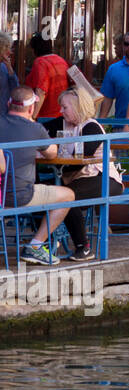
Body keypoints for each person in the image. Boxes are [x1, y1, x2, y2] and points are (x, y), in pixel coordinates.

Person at [2, 87, 75, 266]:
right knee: (68, 195)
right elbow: (52, 153)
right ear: (31, 108)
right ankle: (35, 246)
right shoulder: (35, 128)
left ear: (8, 103)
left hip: (1, 194)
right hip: (20, 195)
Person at [54, 88, 123, 262]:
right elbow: (38, 131)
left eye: (64, 107)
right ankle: (46, 241)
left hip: (104, 178)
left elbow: (81, 156)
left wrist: (49, 154)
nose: (61, 111)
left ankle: (83, 247)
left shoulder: (91, 127)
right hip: (76, 178)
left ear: (78, 107)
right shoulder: (61, 123)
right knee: (42, 191)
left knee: (66, 197)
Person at [98, 29, 129, 119]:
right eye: (126, 44)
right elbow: (107, 98)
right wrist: (101, 123)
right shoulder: (113, 69)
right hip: (120, 126)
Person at [26, 34, 69, 124]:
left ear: (35, 49)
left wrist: (33, 117)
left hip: (45, 117)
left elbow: (41, 91)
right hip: (61, 114)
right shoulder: (61, 60)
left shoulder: (40, 62)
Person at [0, 34, 19, 103]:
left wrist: (10, 68)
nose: (10, 52)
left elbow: (16, 88)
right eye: (8, 48)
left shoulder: (4, 66)